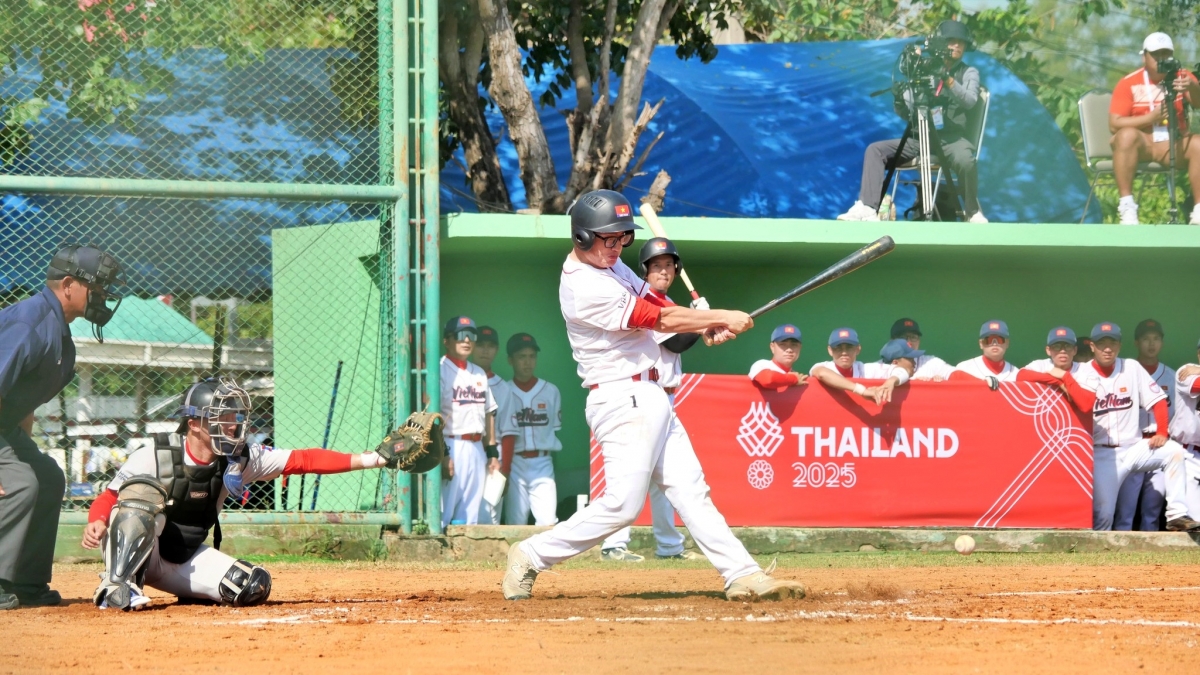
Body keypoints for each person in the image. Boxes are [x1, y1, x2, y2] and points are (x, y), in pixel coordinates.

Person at [502, 189, 804, 601]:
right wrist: (718, 315)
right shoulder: (585, 286)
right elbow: (657, 316)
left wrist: (703, 327)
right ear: (582, 237)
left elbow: (656, 302)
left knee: (690, 489)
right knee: (623, 506)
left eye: (624, 237)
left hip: (652, 393)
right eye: (609, 238)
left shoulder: (612, 268)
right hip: (621, 399)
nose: (618, 246)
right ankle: (532, 553)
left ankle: (742, 573)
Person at [80, 379, 392, 610]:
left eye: (234, 416)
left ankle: (192, 590)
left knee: (251, 585)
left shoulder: (240, 458)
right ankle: (117, 588)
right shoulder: (156, 455)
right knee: (142, 499)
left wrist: (375, 459)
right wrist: (96, 520)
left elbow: (303, 459)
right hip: (139, 553)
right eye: (221, 416)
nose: (233, 424)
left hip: (181, 555)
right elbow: (109, 499)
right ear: (194, 425)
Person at [0, 244, 122, 610]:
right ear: (69, 284)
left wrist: (22, 450)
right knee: (21, 484)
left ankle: (26, 582)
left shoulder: (57, 329)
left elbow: (23, 401)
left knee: (48, 477)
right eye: (96, 289)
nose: (102, 297)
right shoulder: (30, 323)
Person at [600, 237, 705, 563]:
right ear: (645, 272)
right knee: (632, 473)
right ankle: (613, 544)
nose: (663, 271)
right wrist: (701, 321)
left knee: (665, 481)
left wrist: (702, 319)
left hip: (665, 399)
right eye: (656, 266)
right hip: (643, 396)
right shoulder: (648, 302)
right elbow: (675, 344)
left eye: (668, 266)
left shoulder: (668, 302)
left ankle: (669, 546)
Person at [837, 20, 987, 224]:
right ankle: (867, 208)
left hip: (951, 139)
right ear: (941, 44)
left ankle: (972, 212)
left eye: (960, 42)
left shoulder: (969, 72)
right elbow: (908, 115)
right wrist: (899, 99)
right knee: (875, 150)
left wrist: (948, 79)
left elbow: (970, 101)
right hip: (920, 138)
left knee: (966, 161)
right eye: (951, 41)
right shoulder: (923, 69)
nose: (956, 46)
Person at [1072, 322, 1198, 531]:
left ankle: (1176, 514)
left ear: (1120, 345)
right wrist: (1058, 376)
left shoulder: (1131, 367)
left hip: (1134, 447)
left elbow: (1158, 400)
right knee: (1104, 515)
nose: (1107, 348)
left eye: (1112, 342)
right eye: (1102, 343)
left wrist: (1162, 432)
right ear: (1092, 346)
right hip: (1103, 454)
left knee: (1174, 452)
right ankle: (1094, 561)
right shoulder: (1081, 371)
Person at [1108, 32, 1200, 225]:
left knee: (1199, 143)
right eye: (1156, 54)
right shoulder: (1129, 82)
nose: (1161, 59)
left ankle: (1198, 210)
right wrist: (1150, 118)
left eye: (1166, 54)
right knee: (1125, 136)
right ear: (1144, 56)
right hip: (1144, 144)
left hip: (1173, 144)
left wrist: (1192, 86)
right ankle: (1127, 206)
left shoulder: (1182, 77)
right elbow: (1114, 123)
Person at [1113, 320, 1176, 531]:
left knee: (1153, 509)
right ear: (1137, 342)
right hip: (1133, 444)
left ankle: (1149, 561)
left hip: (1159, 445)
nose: (1151, 344)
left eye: (1156, 338)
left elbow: (1176, 413)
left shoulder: (1172, 376)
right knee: (1125, 509)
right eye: (1146, 339)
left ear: (1162, 342)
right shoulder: (1125, 371)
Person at [498, 333, 562, 527]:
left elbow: (554, 430)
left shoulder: (551, 391)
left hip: (543, 461)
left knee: (548, 521)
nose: (527, 362)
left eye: (531, 356)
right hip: (515, 462)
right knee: (515, 522)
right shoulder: (503, 391)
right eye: (521, 357)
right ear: (510, 360)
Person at [440, 315, 497, 528]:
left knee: (470, 511)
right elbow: (433, 418)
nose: (467, 340)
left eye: (471, 336)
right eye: (460, 335)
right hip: (451, 443)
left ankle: (463, 560)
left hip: (476, 447)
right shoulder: (440, 370)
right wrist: (444, 455)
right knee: (444, 510)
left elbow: (489, 412)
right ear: (446, 340)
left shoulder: (479, 372)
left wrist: (492, 453)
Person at [807, 329, 912, 404]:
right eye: (838, 348)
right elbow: (821, 373)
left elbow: (903, 370)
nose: (844, 352)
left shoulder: (865, 369)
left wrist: (891, 381)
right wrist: (862, 391)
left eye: (849, 347)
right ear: (830, 350)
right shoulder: (824, 366)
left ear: (858, 349)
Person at [1016, 326, 1095, 415]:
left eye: (1067, 346)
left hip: (1073, 424)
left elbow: (1086, 406)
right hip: (1046, 420)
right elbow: (1020, 375)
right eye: (1057, 346)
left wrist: (1065, 376)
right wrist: (1058, 382)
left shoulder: (1085, 369)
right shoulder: (1041, 365)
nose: (1062, 351)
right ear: (1048, 350)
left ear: (1074, 350)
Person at [471, 325, 505, 524]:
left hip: (494, 453)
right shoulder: (457, 377)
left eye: (490, 346)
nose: (485, 350)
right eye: (481, 345)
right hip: (470, 446)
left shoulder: (504, 387)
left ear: (497, 350)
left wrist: (504, 466)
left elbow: (508, 432)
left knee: (490, 515)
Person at [1168, 341, 1200, 519]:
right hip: (1187, 454)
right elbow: (1198, 385)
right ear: (1198, 354)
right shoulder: (1186, 371)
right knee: (1195, 520)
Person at [951, 320, 1018, 385]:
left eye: (999, 340)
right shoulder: (964, 368)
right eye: (989, 340)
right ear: (981, 344)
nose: (994, 343)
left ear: (1007, 343)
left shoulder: (1016, 373)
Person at [749, 324, 809, 388]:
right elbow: (768, 379)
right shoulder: (762, 364)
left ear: (800, 348)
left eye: (794, 345)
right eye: (782, 344)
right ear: (772, 347)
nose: (789, 349)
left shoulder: (798, 378)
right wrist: (793, 379)